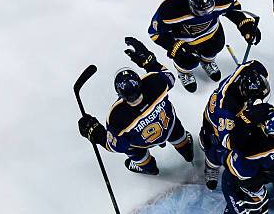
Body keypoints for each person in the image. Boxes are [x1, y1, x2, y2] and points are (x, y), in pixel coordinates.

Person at [78, 37, 193, 175]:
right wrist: (149, 62)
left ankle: (150, 169)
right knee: (180, 138)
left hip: (141, 143)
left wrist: (96, 133)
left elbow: (115, 145)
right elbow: (169, 77)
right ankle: (187, 152)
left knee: (133, 150)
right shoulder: (155, 83)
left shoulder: (117, 116)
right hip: (169, 127)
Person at [148, 0, 261, 92]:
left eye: (209, 8)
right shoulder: (170, 9)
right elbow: (154, 33)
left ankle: (207, 61)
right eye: (202, 11)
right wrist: (174, 46)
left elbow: (232, 8)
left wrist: (244, 24)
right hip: (186, 44)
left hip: (213, 33)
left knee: (216, 46)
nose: (207, 13)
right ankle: (184, 72)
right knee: (187, 60)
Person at [199, 60, 270, 190]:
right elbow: (228, 141)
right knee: (217, 148)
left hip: (228, 110)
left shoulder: (248, 72)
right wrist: (249, 119)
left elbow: (253, 63)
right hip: (215, 122)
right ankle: (211, 166)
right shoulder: (226, 109)